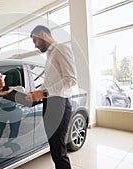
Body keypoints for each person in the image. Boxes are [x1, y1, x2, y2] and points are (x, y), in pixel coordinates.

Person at [26, 25, 77, 169]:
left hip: (59, 104)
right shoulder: (50, 55)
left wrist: (43, 93)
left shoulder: (61, 49)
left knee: (58, 151)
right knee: (54, 148)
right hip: (50, 103)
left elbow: (71, 79)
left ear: (43, 34)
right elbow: (51, 82)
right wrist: (37, 92)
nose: (35, 45)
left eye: (35, 40)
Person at [0, 70, 23, 152]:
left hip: (14, 112)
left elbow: (21, 89)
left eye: (1, 77)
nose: (1, 80)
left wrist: (6, 93)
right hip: (0, 113)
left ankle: (11, 146)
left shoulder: (9, 88)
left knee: (14, 131)